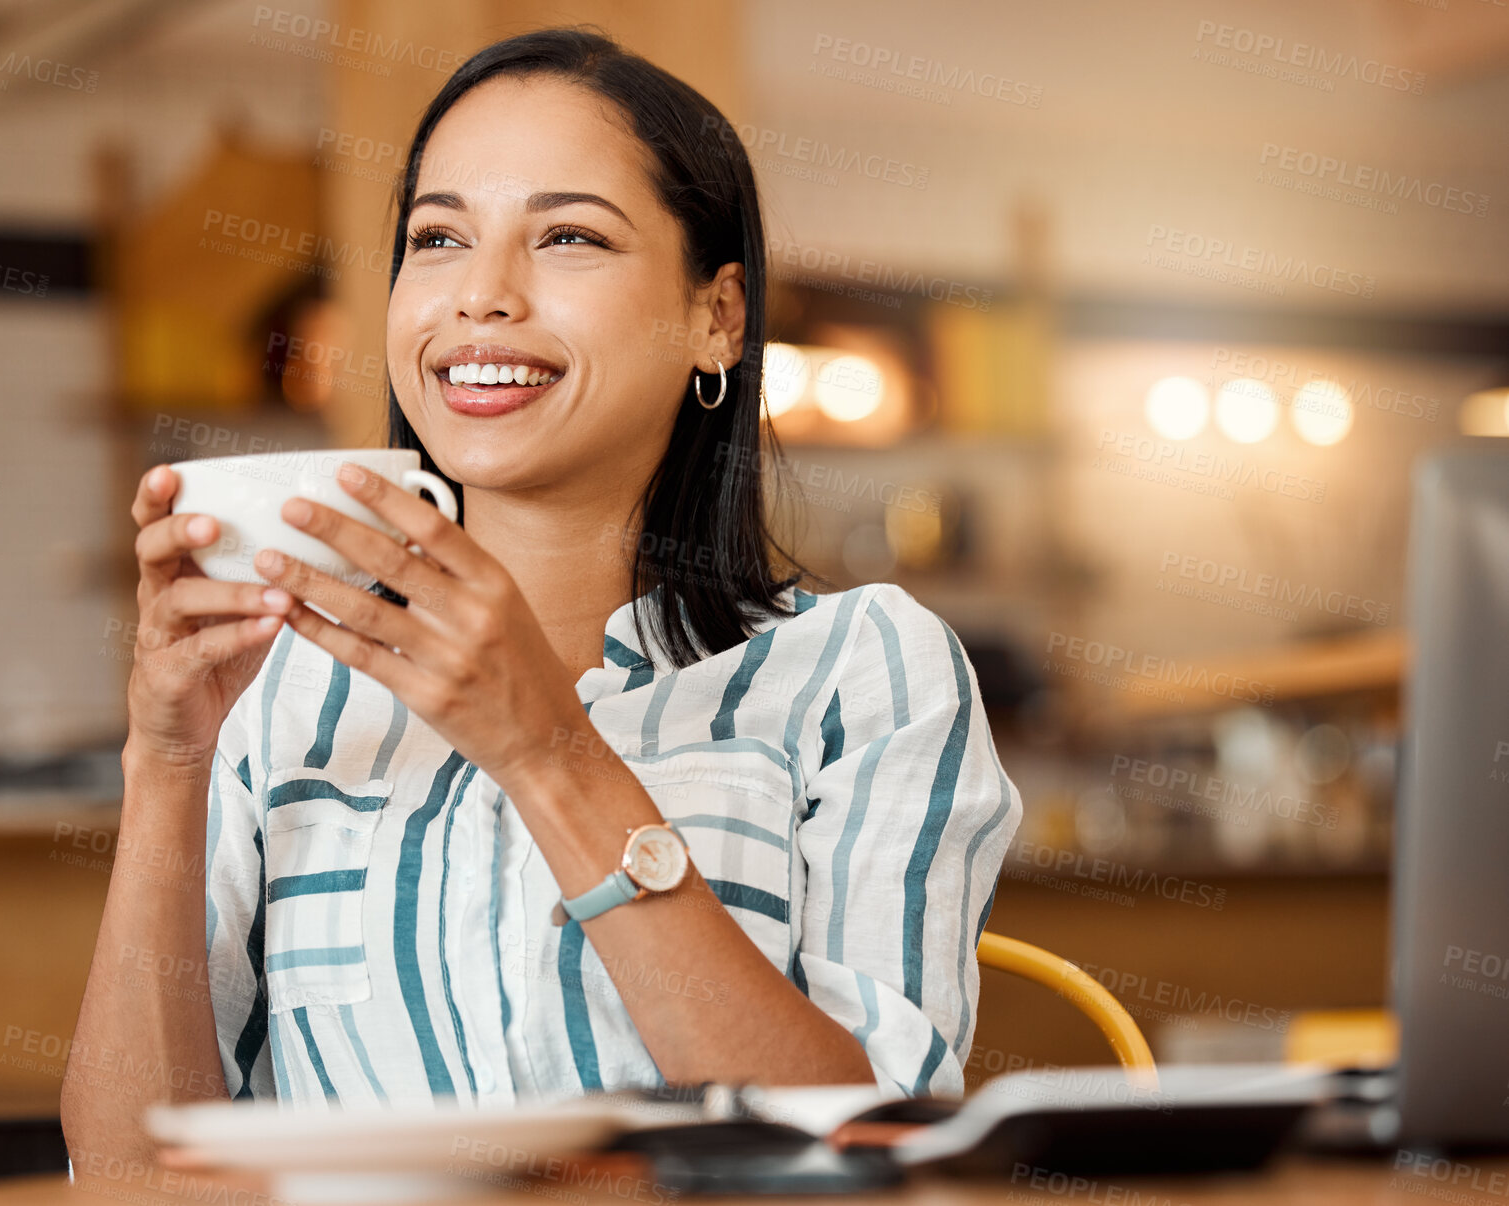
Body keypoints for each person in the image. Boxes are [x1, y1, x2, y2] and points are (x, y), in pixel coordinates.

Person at [61, 26, 1020, 1164]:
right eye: (437, 238)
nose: (481, 296)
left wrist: (549, 752)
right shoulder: (281, 686)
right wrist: (166, 763)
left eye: (567, 236)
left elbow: (866, 1147)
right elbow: (122, 1173)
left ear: (717, 314)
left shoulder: (865, 671)